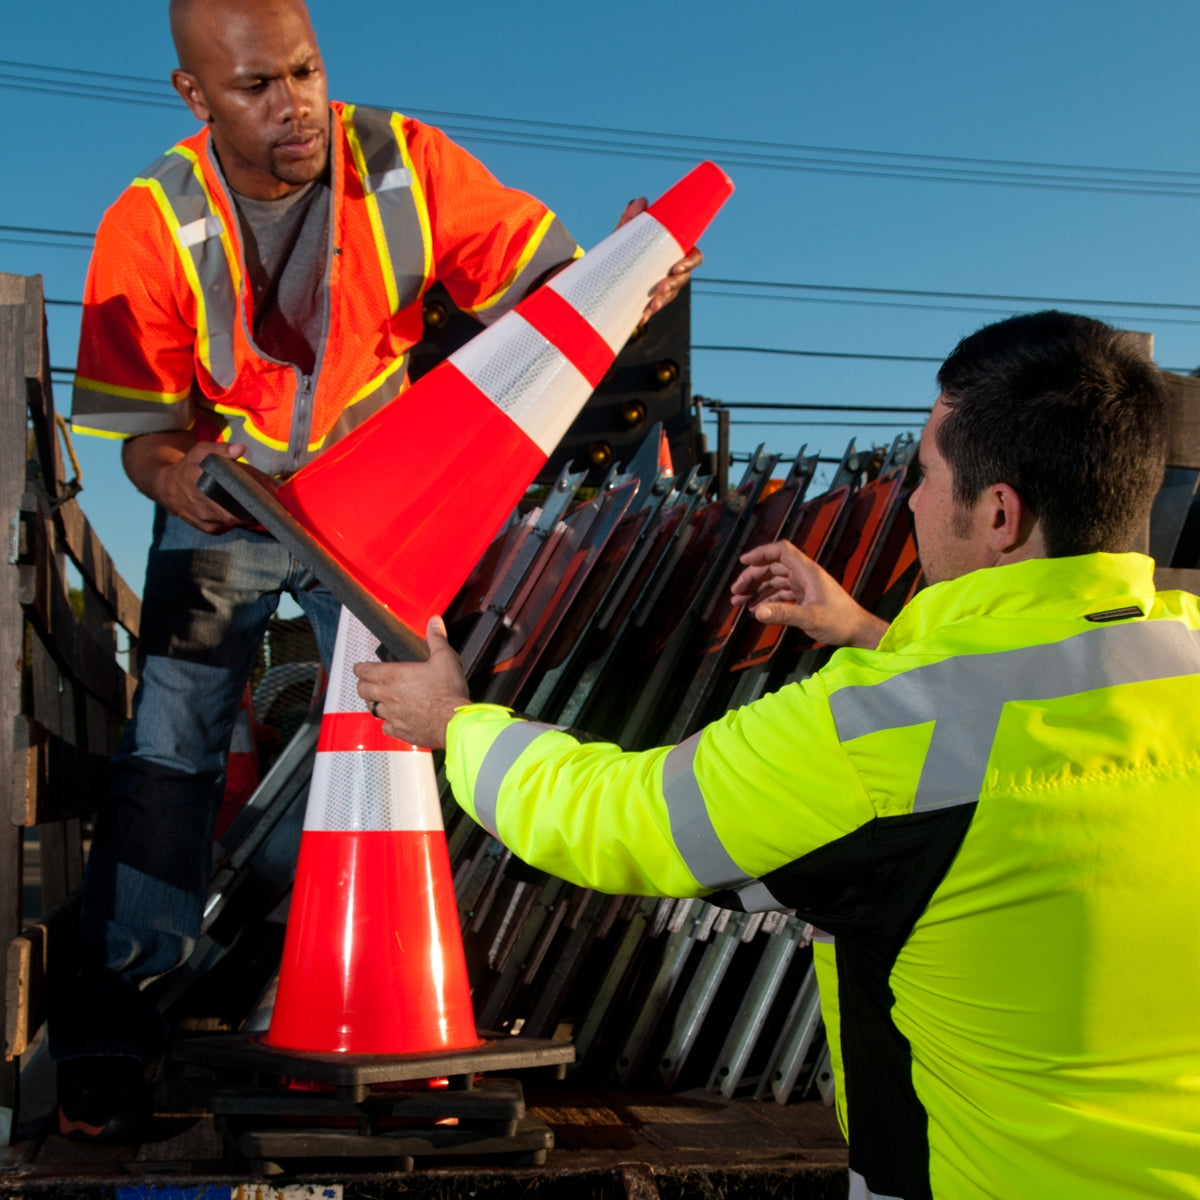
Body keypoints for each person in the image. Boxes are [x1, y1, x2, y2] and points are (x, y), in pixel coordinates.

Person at [357, 311, 1200, 1200]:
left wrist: (456, 722)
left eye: (925, 473)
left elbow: (623, 819)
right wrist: (866, 631)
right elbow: (1041, 699)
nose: (910, 499)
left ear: (999, 513)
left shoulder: (867, 739)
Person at [57, 0, 699, 1140]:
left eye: (305, 71)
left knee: (424, 730)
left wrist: (626, 275)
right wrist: (179, 479)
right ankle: (115, 1042)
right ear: (195, 97)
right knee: (168, 759)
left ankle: (419, 1006)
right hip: (230, 511)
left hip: (378, 510)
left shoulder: (403, 163)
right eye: (257, 86)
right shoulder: (148, 226)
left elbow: (547, 289)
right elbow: (148, 436)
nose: (294, 104)